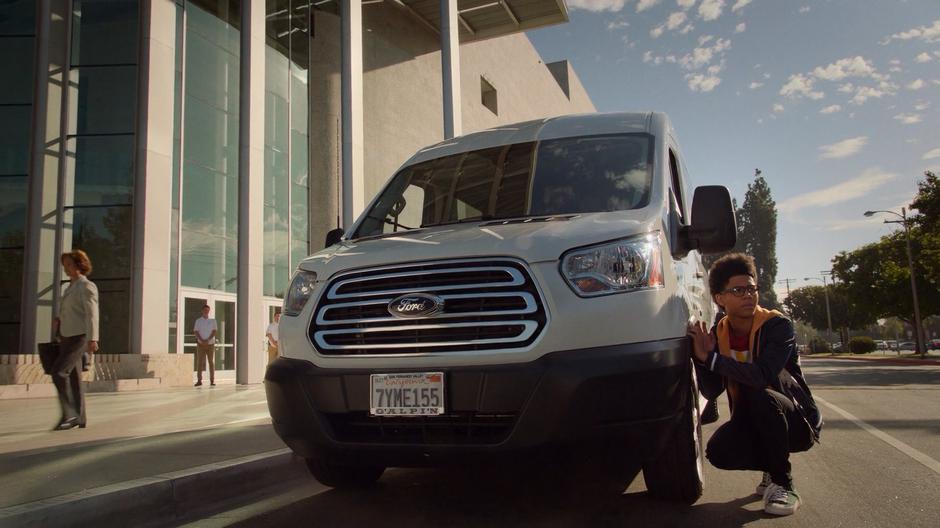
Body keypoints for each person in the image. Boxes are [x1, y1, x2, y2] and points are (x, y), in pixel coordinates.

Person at [687, 253, 821, 516]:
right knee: (719, 451)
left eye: (751, 289)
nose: (748, 295)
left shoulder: (777, 325)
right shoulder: (718, 333)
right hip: (753, 419)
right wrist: (701, 360)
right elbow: (712, 391)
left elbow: (762, 375)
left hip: (796, 420)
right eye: (738, 290)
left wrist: (712, 360)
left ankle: (783, 483)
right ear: (719, 298)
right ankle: (771, 466)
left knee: (760, 395)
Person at [52, 249, 99, 431]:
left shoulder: (86, 286)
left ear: (80, 265)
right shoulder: (69, 288)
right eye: (64, 265)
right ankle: (80, 417)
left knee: (59, 372)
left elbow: (92, 314)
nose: (66, 269)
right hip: (66, 335)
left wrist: (93, 338)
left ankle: (69, 413)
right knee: (73, 377)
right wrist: (59, 321)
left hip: (79, 337)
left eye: (70, 265)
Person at [193, 305, 217, 387]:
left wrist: (208, 340)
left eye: (208, 310)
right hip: (201, 344)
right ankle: (199, 380)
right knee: (199, 362)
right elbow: (196, 331)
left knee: (211, 362)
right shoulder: (198, 321)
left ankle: (212, 380)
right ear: (202, 311)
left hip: (210, 344)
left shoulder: (213, 321)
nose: (206, 311)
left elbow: (214, 331)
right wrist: (201, 340)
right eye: (205, 310)